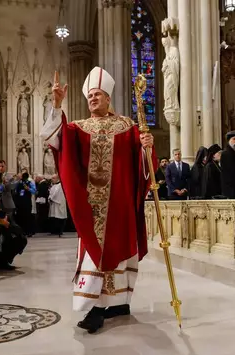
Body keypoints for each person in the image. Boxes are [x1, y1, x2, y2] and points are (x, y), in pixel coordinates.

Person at [40, 68, 155, 333]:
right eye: (90, 95)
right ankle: (96, 308)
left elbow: (144, 164)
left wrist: (146, 145)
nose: (92, 98)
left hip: (120, 204)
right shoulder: (79, 129)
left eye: (97, 94)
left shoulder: (127, 126)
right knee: (95, 254)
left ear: (108, 98)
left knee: (121, 253)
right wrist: (57, 105)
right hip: (92, 206)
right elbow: (54, 139)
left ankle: (118, 303)